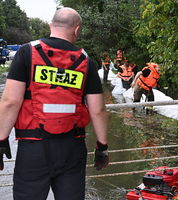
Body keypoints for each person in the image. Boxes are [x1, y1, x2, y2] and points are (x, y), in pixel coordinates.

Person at [0, 7, 109, 200]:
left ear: (51, 25)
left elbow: (10, 102)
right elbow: (98, 110)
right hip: (72, 148)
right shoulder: (86, 61)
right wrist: (102, 146)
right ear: (76, 30)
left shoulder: (27, 53)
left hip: (33, 147)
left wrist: (1, 140)